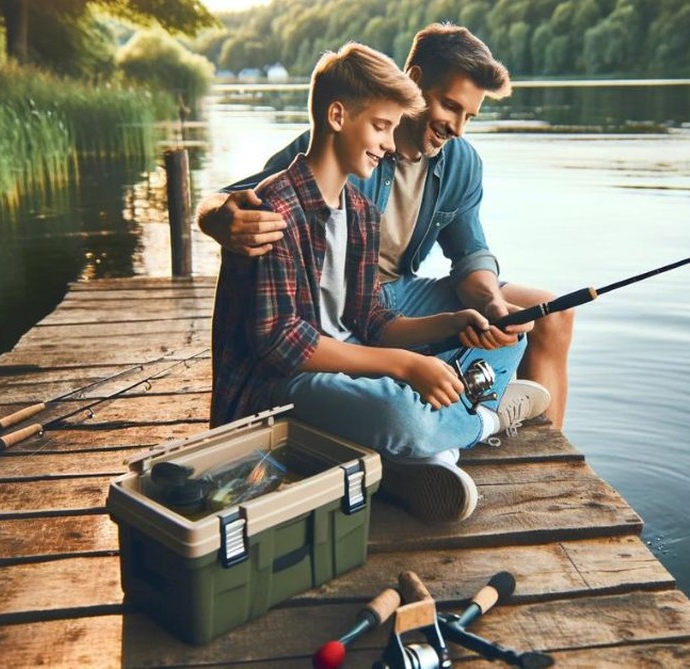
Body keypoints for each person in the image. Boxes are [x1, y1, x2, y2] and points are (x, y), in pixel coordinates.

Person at [211, 42, 548, 524]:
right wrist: (405, 367)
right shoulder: (275, 211)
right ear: (337, 116)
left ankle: (414, 452)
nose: (389, 145)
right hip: (280, 387)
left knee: (515, 333)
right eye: (380, 127)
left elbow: (371, 317)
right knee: (402, 415)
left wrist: (455, 321)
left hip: (351, 355)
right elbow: (281, 343)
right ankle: (477, 424)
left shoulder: (363, 213)